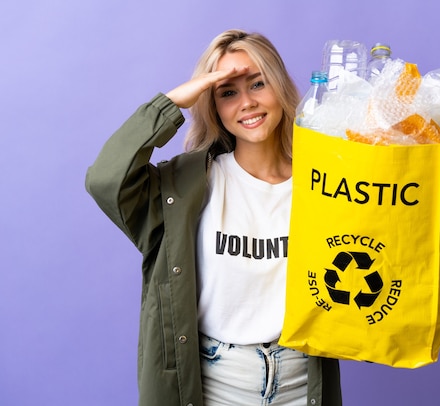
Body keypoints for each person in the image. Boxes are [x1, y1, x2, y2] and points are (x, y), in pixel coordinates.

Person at [86, 29, 342, 406]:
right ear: (214, 108)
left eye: (258, 83)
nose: (247, 103)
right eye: (227, 93)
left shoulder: (326, 182)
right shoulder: (188, 185)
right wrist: (172, 102)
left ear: (280, 88)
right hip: (216, 384)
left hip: (302, 382)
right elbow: (106, 180)